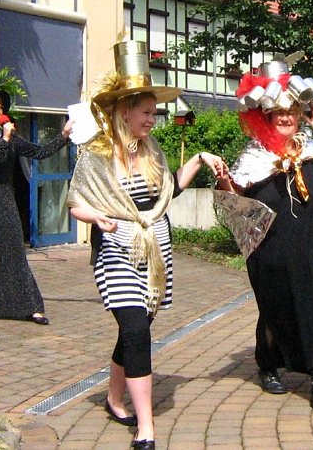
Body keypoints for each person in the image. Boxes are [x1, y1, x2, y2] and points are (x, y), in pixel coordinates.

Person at [67, 40, 227, 450]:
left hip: (156, 252)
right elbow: (77, 203)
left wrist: (200, 159)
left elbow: (166, 192)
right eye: (147, 113)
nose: (153, 120)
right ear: (125, 112)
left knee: (135, 330)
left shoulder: (152, 150)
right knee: (136, 328)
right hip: (116, 251)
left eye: (155, 113)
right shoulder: (97, 156)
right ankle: (146, 427)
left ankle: (114, 397)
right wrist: (97, 218)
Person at [216, 60, 313, 415]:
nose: (286, 118)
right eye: (278, 113)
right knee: (276, 308)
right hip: (272, 249)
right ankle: (268, 364)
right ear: (266, 117)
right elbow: (235, 198)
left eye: (292, 110)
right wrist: (223, 178)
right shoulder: (253, 159)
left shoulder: (309, 150)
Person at [0, 90, 74, 324]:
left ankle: (32, 306)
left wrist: (63, 136)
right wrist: (5, 140)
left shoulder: (12, 138)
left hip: (5, 199)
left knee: (15, 251)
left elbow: (39, 152)